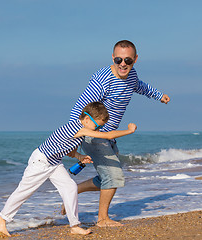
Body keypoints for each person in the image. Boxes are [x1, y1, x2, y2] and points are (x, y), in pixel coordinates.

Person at [66, 40, 171, 227]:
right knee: (114, 176)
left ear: (135, 60)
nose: (123, 64)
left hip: (110, 135)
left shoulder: (131, 75)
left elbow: (139, 86)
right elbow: (80, 110)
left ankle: (74, 189)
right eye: (119, 59)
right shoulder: (102, 80)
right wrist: (72, 138)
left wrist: (158, 95)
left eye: (128, 60)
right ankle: (102, 219)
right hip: (94, 136)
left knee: (105, 178)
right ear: (112, 58)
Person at [0, 102, 137, 237]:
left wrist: (79, 156)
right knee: (24, 191)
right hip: (40, 162)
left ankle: (74, 226)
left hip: (54, 163)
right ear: (87, 119)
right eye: (97, 126)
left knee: (70, 188)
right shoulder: (78, 128)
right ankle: (2, 220)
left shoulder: (81, 130)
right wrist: (129, 130)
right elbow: (108, 135)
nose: (98, 130)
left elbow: (69, 150)